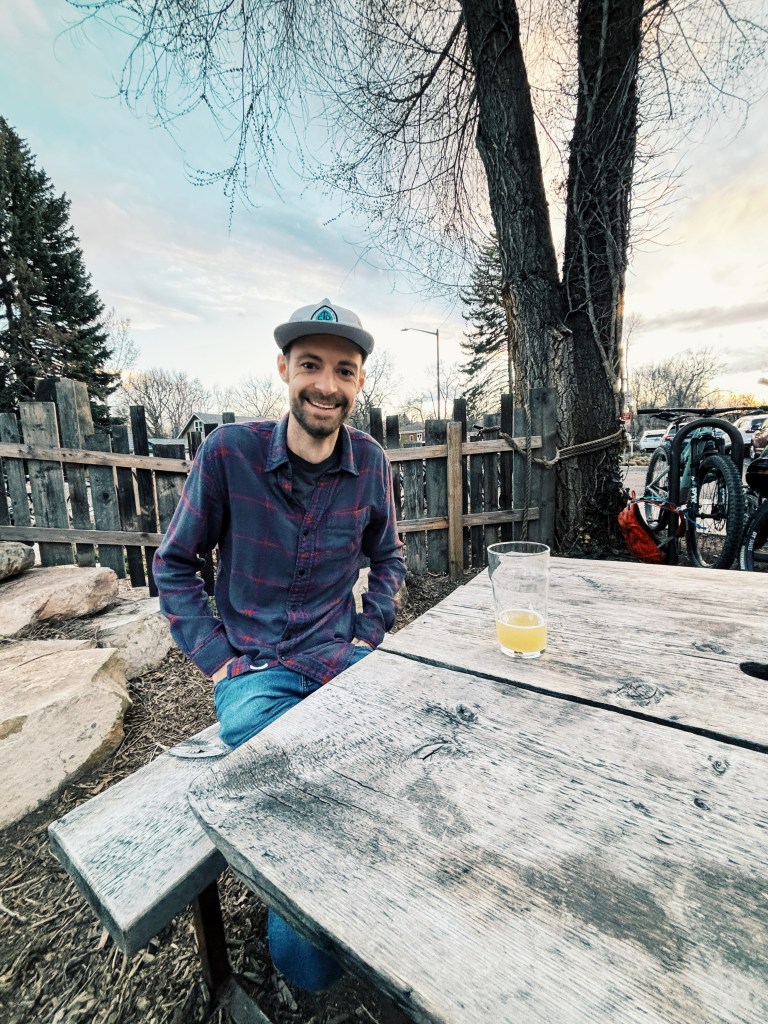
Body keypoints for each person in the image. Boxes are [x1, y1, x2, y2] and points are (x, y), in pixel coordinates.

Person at [153, 298, 405, 991]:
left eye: (344, 371)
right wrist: (217, 657)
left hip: (339, 658)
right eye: (311, 365)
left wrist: (370, 628)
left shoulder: (371, 464)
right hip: (256, 674)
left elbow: (389, 559)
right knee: (301, 789)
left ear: (359, 384)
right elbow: (173, 563)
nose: (326, 384)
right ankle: (312, 962)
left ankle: (383, 921)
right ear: (284, 370)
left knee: (400, 759)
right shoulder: (229, 454)